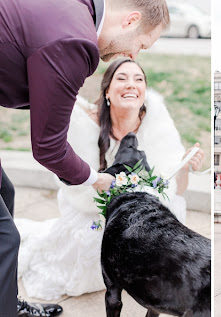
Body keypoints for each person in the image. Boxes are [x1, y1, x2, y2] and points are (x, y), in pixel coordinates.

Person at [0, 0, 170, 315]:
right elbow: (47, 148)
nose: (134, 55)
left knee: (4, 192)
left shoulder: (76, 9)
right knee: (6, 237)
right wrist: (96, 179)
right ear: (131, 20)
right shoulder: (76, 41)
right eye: (141, 44)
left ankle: (5, 300)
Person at [14, 58, 205, 301]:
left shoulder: (156, 122)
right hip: (94, 208)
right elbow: (77, 188)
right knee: (93, 240)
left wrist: (185, 168)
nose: (131, 85)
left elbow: (175, 191)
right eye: (122, 78)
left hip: (137, 208)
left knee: (173, 210)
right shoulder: (85, 123)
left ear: (144, 90)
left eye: (138, 79)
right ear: (107, 91)